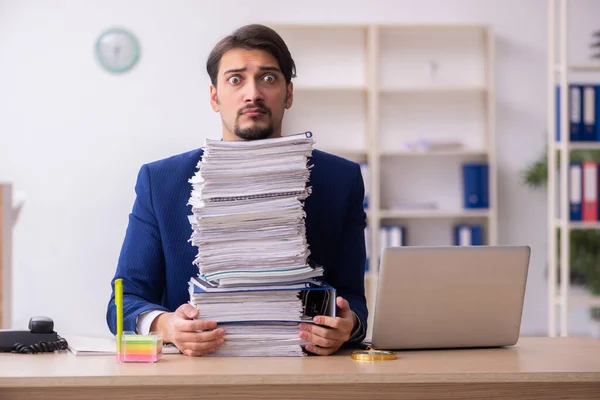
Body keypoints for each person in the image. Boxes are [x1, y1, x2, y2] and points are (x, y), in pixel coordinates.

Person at [106, 23, 368, 356]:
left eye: (268, 78)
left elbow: (354, 299)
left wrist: (349, 325)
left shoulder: (339, 179)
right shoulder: (161, 181)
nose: (253, 93)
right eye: (235, 79)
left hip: (306, 371)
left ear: (289, 93)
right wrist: (167, 325)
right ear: (215, 97)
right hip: (197, 374)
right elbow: (123, 301)